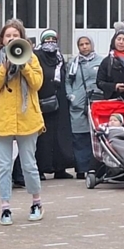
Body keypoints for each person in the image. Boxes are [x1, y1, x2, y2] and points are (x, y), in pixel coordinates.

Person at [0, 20, 44, 226]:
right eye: (8, 36)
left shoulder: (33, 58)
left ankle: (36, 202)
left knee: (29, 164)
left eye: (15, 35)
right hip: (2, 118)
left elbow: (37, 84)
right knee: (4, 166)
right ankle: (5, 207)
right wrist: (5, 68)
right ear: (2, 39)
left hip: (26, 117)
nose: (11, 38)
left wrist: (25, 66)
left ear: (22, 38)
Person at [34, 30, 74, 179]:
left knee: (61, 134)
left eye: (53, 40)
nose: (50, 43)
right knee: (43, 136)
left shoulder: (59, 58)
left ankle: (60, 167)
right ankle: (41, 168)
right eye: (47, 40)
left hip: (60, 101)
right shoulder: (37, 56)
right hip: (43, 99)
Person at [64, 35, 102, 176]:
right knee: (80, 138)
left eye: (87, 43)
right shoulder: (73, 63)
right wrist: (71, 95)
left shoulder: (101, 61)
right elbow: (67, 81)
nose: (84, 46)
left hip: (96, 104)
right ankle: (82, 169)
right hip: (78, 106)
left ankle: (95, 168)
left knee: (97, 136)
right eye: (81, 44)